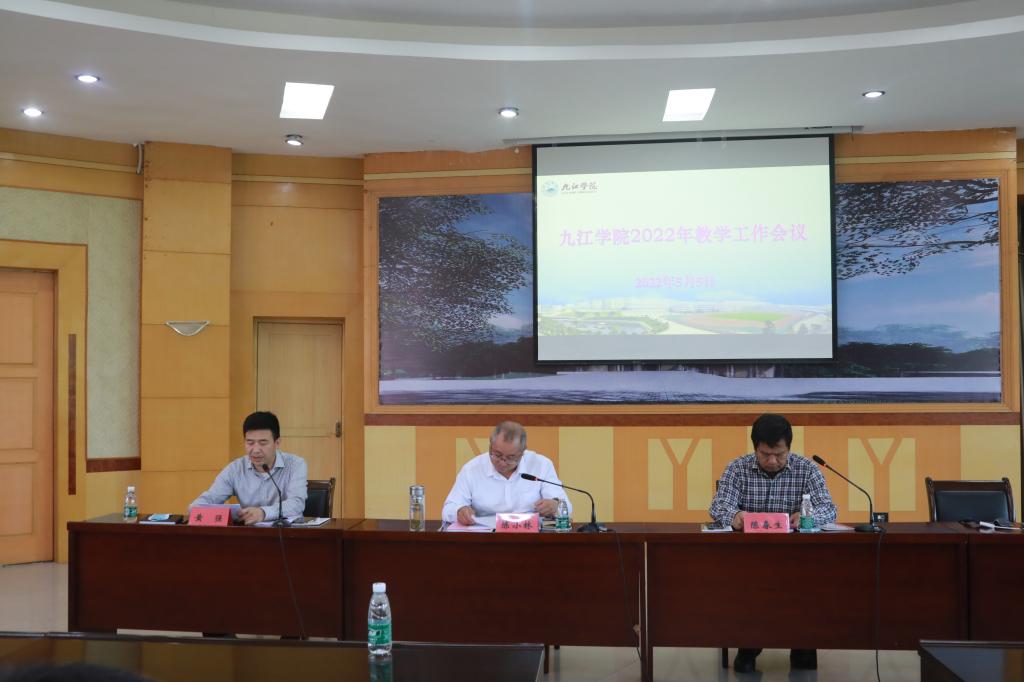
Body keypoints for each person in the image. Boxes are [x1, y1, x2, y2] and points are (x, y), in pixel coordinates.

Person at [708, 413, 837, 674]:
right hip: (749, 560)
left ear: (789, 448)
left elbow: (829, 508)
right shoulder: (737, 468)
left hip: (797, 560)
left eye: (779, 454)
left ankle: (802, 643)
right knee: (748, 584)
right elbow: (718, 506)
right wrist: (735, 516)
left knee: (809, 583)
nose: (772, 461)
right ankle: (748, 644)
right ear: (755, 448)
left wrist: (808, 517)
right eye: (765, 454)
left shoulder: (807, 469)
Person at [442, 421, 571, 525]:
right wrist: (459, 511)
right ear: (490, 447)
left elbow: (567, 507)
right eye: (497, 455)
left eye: (511, 458)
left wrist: (555, 505)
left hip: (530, 539)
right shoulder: (472, 469)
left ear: (523, 452)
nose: (503, 463)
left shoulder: (541, 465)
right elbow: (448, 509)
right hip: (485, 539)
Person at [190, 411, 308, 525]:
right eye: (250, 443)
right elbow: (204, 502)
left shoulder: (295, 465)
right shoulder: (235, 469)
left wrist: (263, 513)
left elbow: (297, 504)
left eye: (263, 443)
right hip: (248, 534)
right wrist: (197, 509)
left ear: (277, 443)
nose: (255, 450)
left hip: (286, 533)